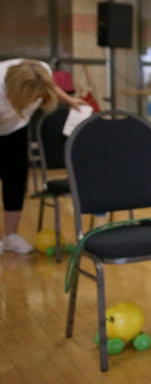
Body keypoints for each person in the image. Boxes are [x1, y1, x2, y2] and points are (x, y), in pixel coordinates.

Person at [0, 59, 84, 255]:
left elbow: (50, 87)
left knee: (16, 180)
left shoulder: (42, 70)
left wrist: (70, 100)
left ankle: (11, 236)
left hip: (16, 128)